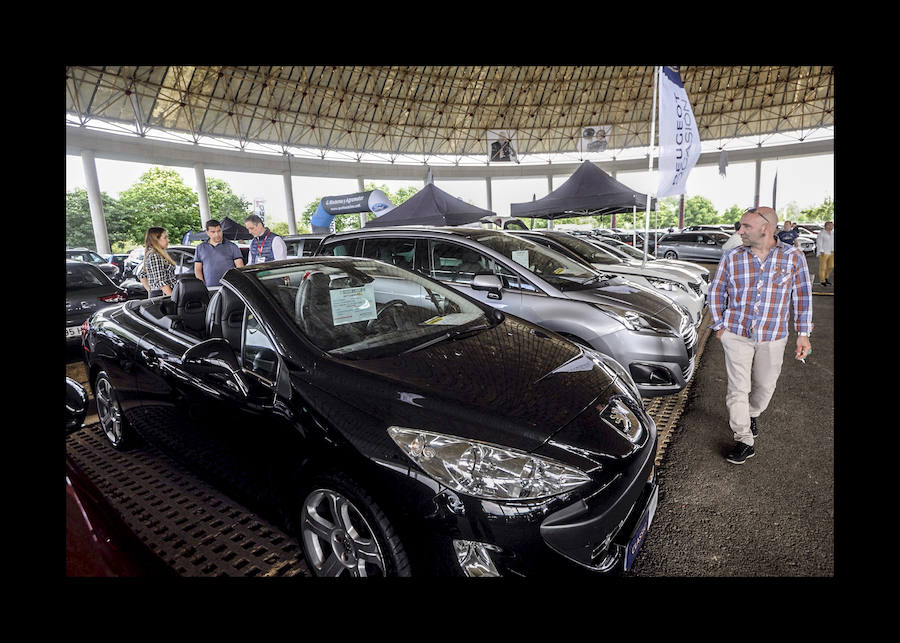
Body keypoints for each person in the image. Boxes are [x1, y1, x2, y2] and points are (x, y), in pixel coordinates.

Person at [708, 206, 813, 465]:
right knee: (737, 389)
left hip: (773, 335)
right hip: (736, 333)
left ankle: (752, 413)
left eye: (746, 227)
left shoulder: (793, 257)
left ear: (765, 228)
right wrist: (720, 326)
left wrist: (803, 333)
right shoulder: (733, 256)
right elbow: (716, 290)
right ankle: (744, 438)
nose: (740, 231)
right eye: (741, 226)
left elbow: (801, 296)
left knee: (765, 386)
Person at [194, 219, 245, 286]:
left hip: (230, 288)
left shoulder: (232, 246)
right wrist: (202, 286)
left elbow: (240, 268)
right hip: (209, 288)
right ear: (207, 232)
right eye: (213, 232)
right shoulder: (200, 248)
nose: (217, 234)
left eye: (219, 231)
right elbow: (197, 270)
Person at [139, 227, 177, 298]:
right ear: (155, 240)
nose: (168, 240)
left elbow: (142, 275)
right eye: (165, 238)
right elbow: (161, 282)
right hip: (163, 295)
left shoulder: (154, 254)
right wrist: (173, 299)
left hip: (160, 295)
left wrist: (151, 291)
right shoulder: (155, 255)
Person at [815, 220, 834, 286]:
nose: (833, 226)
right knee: (823, 267)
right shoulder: (821, 233)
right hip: (824, 252)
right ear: (827, 226)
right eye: (831, 225)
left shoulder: (832, 232)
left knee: (831, 266)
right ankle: (823, 281)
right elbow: (819, 243)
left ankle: (826, 277)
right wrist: (821, 250)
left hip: (831, 252)